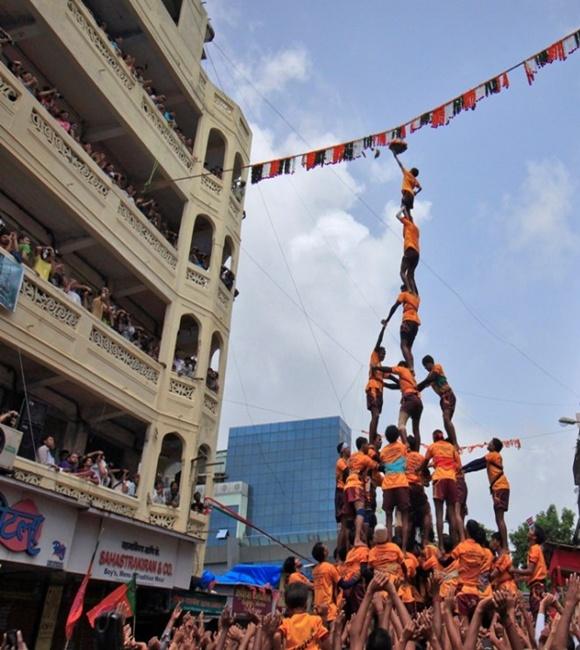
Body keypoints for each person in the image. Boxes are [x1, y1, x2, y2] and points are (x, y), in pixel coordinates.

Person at [462, 437, 510, 550]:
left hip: (500, 487)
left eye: (490, 443)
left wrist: (463, 467)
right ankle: (503, 544)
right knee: (498, 518)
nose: (488, 444)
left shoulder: (493, 455)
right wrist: (467, 470)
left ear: (494, 447)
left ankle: (505, 546)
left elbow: (479, 461)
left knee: (500, 518)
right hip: (499, 487)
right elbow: (480, 466)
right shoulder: (493, 458)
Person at [420, 430, 463, 548]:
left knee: (439, 514)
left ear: (434, 438)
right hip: (452, 480)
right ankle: (456, 546)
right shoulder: (451, 447)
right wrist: (450, 469)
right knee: (452, 514)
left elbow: (425, 462)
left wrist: (421, 470)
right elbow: (459, 466)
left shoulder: (432, 446)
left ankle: (441, 547)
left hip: (439, 480)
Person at [375, 360, 423, 448]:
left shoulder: (402, 369)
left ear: (402, 366)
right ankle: (416, 451)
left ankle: (406, 445)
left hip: (409, 399)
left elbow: (389, 369)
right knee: (416, 429)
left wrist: (377, 367)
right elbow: (396, 386)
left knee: (401, 424)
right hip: (418, 401)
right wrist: (384, 384)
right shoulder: (410, 378)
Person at [449, 519, 487, 619]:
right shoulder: (480, 550)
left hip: (462, 590)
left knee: (464, 625)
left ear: (466, 530)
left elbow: (447, 562)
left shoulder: (462, 547)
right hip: (475, 592)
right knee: (474, 624)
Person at [344, 437, 379, 547]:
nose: (368, 447)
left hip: (347, 485)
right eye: (367, 445)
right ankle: (357, 539)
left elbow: (347, 471)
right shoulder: (364, 458)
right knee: (361, 511)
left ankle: (354, 543)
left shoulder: (351, 458)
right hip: (356, 485)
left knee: (352, 517)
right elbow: (378, 466)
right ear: (363, 445)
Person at [417, 355, 458, 448]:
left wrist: (419, 385)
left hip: (448, 395)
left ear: (430, 363)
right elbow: (422, 386)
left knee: (446, 418)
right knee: (446, 420)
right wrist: (412, 389)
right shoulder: (429, 376)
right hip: (443, 398)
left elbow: (430, 379)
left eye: (426, 366)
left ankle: (455, 443)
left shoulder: (437, 367)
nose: (425, 368)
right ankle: (451, 440)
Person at [380, 425, 410, 550]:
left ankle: (389, 545)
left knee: (388, 516)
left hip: (388, 485)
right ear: (397, 436)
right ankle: (403, 549)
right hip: (401, 483)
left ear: (386, 437)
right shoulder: (402, 448)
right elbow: (406, 446)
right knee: (404, 516)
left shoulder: (383, 452)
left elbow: (382, 463)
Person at [275, 583, 330, 650]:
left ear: (288, 606)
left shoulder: (286, 623)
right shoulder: (315, 620)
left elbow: (277, 636)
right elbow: (325, 639)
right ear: (306, 604)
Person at [512, 524, 547, 620]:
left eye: (532, 529)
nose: (529, 530)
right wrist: (519, 578)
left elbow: (530, 571)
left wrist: (514, 570)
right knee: (539, 614)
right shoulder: (536, 549)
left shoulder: (534, 549)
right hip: (538, 586)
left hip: (537, 588)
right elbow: (532, 573)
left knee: (538, 615)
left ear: (534, 537)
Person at [383, 287, 420, 371]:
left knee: (403, 344)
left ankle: (410, 367)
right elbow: (412, 282)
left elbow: (394, 307)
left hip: (407, 320)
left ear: (404, 289)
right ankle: (412, 368)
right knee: (409, 348)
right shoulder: (416, 298)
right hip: (416, 323)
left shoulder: (404, 294)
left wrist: (387, 319)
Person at [405, 434, 432, 545]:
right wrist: (425, 481)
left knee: (409, 518)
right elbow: (427, 477)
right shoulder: (421, 457)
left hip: (405, 488)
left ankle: (405, 544)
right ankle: (425, 540)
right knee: (426, 512)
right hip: (417, 487)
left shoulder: (403, 457)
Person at [365, 322, 387, 446]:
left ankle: (372, 438)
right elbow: (378, 342)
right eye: (382, 353)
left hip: (380, 391)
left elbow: (391, 377)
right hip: (373, 388)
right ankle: (370, 441)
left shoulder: (381, 368)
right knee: (375, 414)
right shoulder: (374, 358)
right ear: (378, 353)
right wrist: (383, 329)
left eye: (385, 354)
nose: (383, 355)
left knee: (377, 416)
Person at [311, 542, 340, 622]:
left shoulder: (314, 570)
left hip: (317, 608)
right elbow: (341, 583)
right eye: (325, 547)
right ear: (324, 552)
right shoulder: (329, 567)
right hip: (328, 609)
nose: (327, 548)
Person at [393, 150, 421, 219]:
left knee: (402, 206)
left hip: (407, 193)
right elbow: (420, 188)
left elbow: (400, 165)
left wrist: (395, 157)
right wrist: (416, 193)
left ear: (411, 171)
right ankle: (410, 221)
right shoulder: (415, 180)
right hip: (411, 196)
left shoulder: (407, 173)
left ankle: (408, 219)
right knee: (407, 210)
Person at [335, 442, 350, 551]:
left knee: (348, 525)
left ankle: (346, 550)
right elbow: (347, 472)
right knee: (344, 526)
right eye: (347, 448)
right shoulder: (341, 461)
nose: (349, 450)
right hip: (342, 492)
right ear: (343, 451)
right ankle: (341, 553)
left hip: (346, 492)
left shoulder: (347, 461)